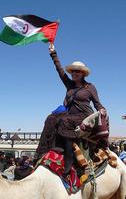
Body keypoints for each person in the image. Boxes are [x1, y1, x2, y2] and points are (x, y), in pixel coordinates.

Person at [36, 44, 106, 176]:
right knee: (51, 119)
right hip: (70, 115)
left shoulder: (90, 87)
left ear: (83, 73)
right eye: (73, 71)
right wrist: (53, 54)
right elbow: (60, 71)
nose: (74, 73)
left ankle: (69, 158)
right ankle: (43, 152)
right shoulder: (69, 85)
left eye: (77, 71)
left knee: (64, 121)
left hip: (84, 115)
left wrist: (102, 110)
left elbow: (98, 104)